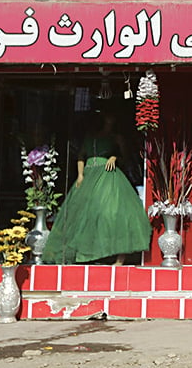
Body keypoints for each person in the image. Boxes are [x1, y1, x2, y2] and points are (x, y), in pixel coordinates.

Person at [41, 113, 151, 265]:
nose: (109, 119)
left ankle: (119, 258)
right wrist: (80, 175)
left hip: (107, 176)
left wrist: (114, 157)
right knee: (81, 216)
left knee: (112, 214)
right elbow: (81, 156)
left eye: (111, 117)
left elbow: (125, 158)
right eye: (107, 117)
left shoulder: (116, 137)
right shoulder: (90, 137)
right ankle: (80, 255)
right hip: (88, 176)